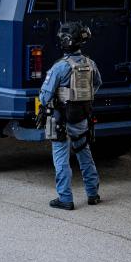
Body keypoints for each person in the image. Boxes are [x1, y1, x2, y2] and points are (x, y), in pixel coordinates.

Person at [39, 22, 102, 210]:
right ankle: (93, 194)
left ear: (65, 43)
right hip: (82, 116)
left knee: (61, 158)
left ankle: (65, 198)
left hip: (61, 119)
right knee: (85, 154)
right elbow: (97, 84)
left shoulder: (60, 67)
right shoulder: (90, 64)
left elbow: (44, 97)